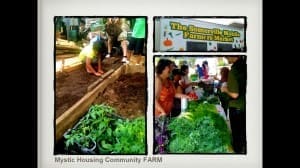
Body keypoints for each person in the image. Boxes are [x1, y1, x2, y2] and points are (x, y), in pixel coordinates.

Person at [154, 59, 190, 154]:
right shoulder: (158, 80)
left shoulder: (168, 80)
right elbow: (153, 99)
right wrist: (162, 112)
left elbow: (175, 94)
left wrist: (187, 97)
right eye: (170, 67)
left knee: (165, 137)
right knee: (160, 139)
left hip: (166, 114)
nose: (172, 69)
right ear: (164, 68)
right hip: (158, 116)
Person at [221, 56, 247, 154]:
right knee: (243, 132)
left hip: (236, 107)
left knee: (237, 135)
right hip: (245, 105)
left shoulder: (234, 70)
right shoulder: (245, 66)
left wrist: (225, 89)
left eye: (227, 56)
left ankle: (238, 155)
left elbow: (235, 94)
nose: (226, 57)